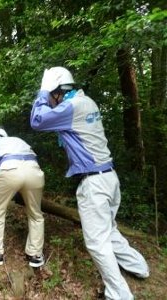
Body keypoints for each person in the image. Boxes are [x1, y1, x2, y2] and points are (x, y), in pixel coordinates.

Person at [30, 66, 149, 299]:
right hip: (108, 178)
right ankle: (139, 267)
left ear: (58, 92)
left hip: (94, 183)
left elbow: (37, 120)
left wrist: (42, 91)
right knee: (109, 231)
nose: (51, 100)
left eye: (52, 95)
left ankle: (119, 295)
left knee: (96, 242)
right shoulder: (87, 102)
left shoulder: (72, 106)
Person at [0, 128, 45, 268]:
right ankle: (35, 255)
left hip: (10, 171)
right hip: (35, 171)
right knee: (36, 215)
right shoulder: (19, 141)